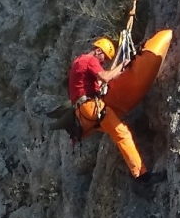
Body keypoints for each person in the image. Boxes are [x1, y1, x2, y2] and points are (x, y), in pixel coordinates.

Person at [69, 37, 166, 185]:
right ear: (98, 50)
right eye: (104, 58)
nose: (103, 62)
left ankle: (139, 174)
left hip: (82, 113)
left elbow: (94, 84)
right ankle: (142, 175)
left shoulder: (78, 61)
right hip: (92, 108)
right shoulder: (90, 60)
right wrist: (122, 66)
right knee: (123, 134)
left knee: (116, 131)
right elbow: (106, 77)